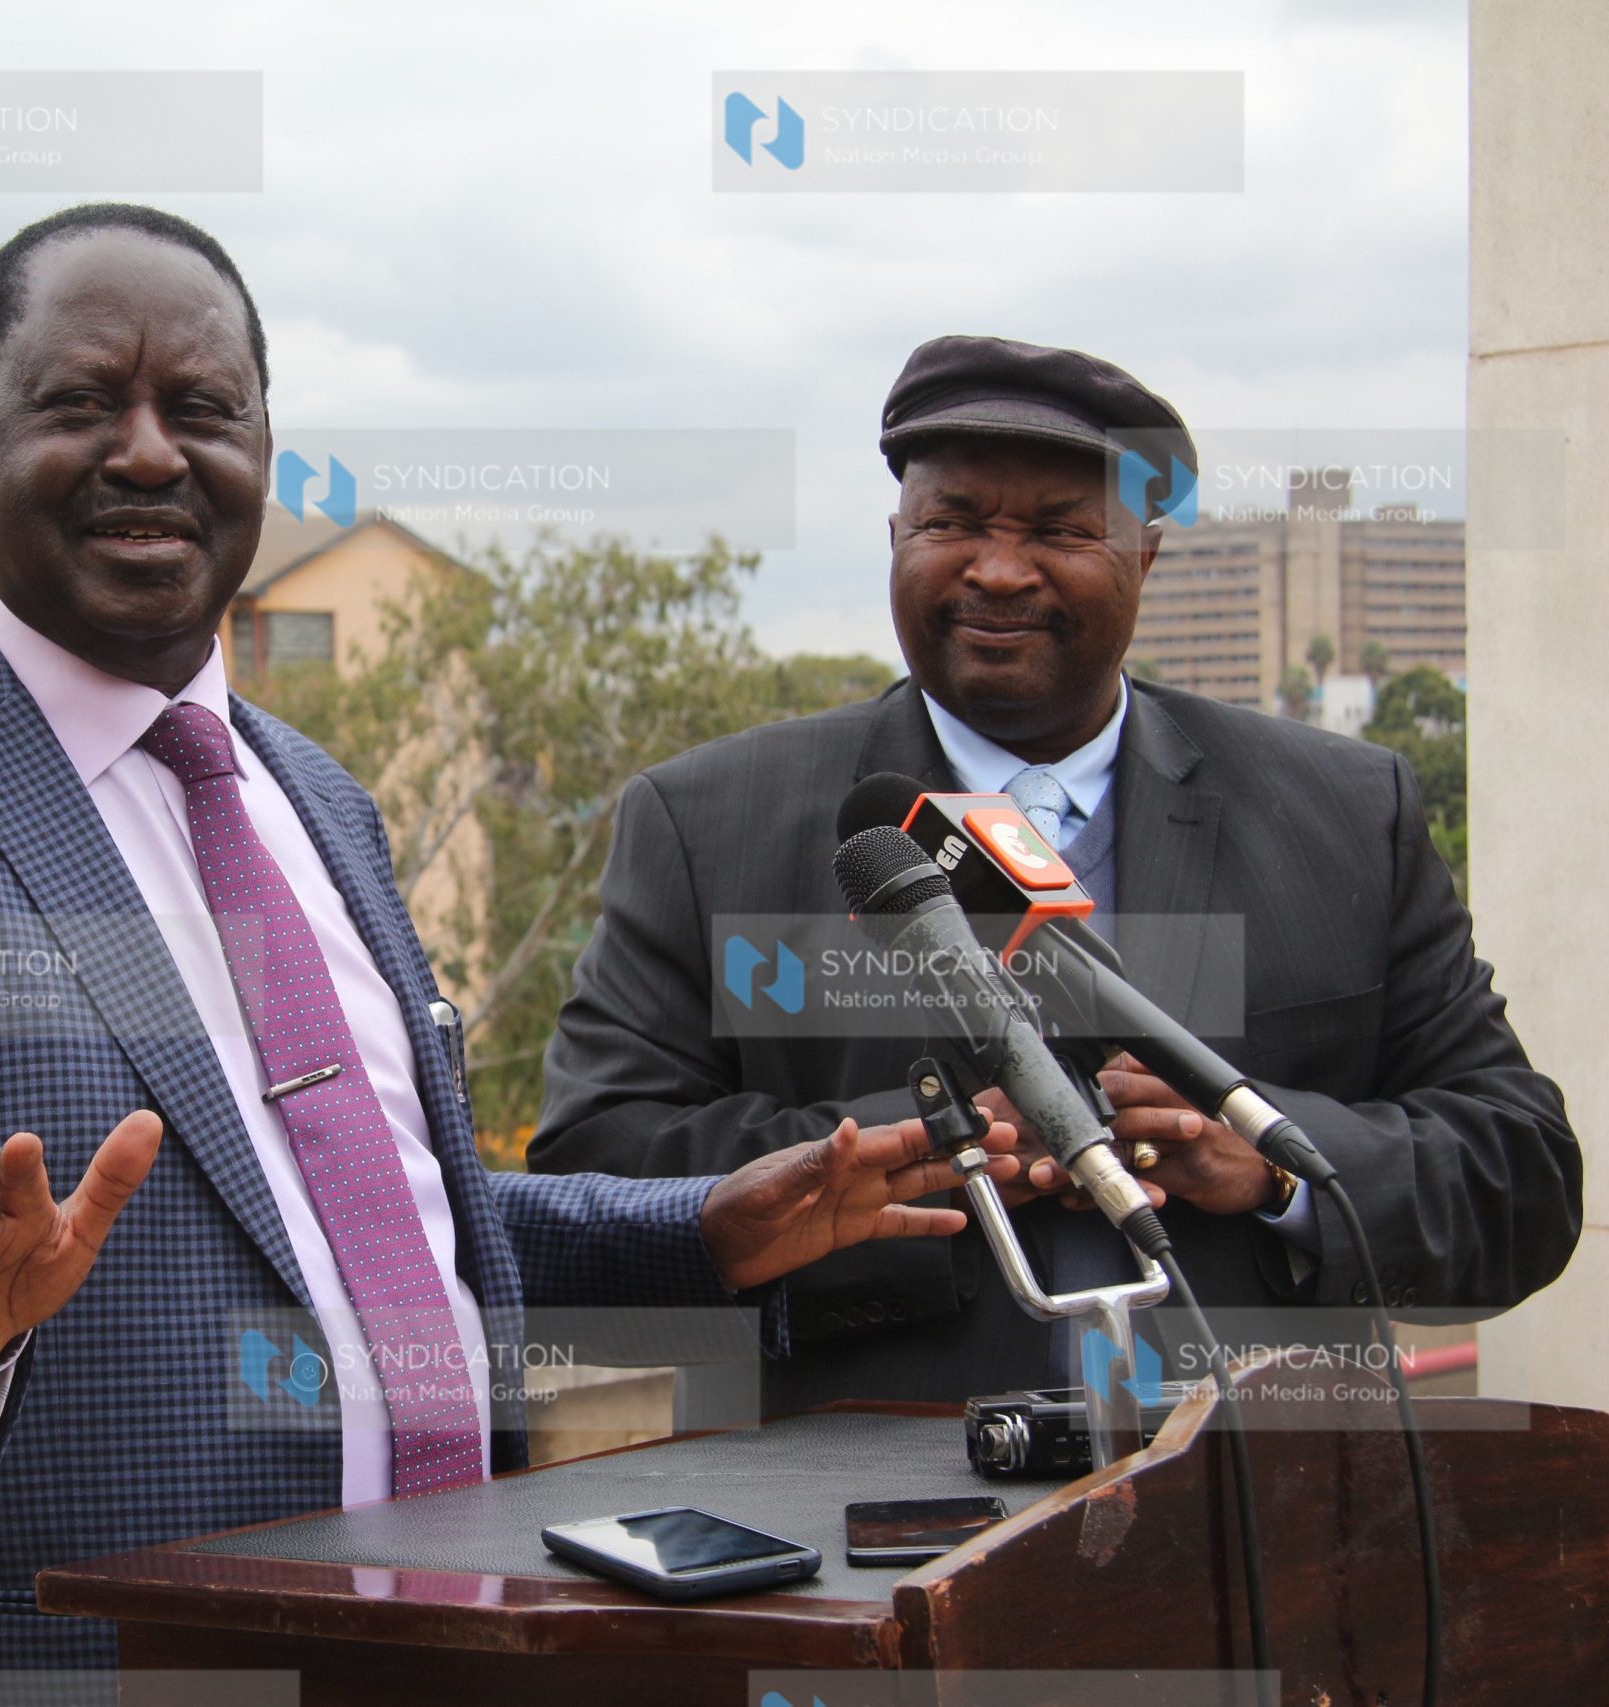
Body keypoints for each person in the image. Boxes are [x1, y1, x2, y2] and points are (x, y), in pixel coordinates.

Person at [0, 208, 1013, 1699]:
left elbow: (385, 1234)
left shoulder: (316, 802)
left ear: (264, 455)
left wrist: (699, 1233)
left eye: (203, 410)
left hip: (434, 1647)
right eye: (83, 403)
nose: (150, 452)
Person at [529, 334, 1581, 1417]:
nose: (995, 567)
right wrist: (945, 1146)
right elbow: (591, 1202)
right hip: (854, 1541)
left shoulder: (1349, 814)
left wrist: (1271, 1166)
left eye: (1058, 530)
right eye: (953, 523)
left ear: (1145, 555)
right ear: (896, 537)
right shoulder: (705, 823)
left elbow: (1522, 1184)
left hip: (1266, 1534)